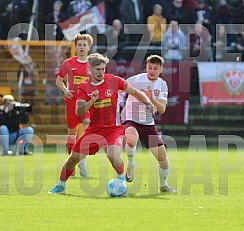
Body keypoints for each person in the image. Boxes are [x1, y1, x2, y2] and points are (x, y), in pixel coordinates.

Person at [48, 53, 154, 194]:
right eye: (98, 69)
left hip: (113, 129)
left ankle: (121, 181)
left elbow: (134, 91)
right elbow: (79, 111)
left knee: (113, 155)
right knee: (73, 159)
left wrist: (148, 103)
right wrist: (91, 101)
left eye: (104, 69)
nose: (101, 72)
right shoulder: (83, 87)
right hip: (93, 130)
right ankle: (60, 186)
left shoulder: (113, 80)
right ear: (89, 70)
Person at [121, 55, 176, 193]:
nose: (151, 71)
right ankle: (131, 163)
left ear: (161, 69)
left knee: (163, 159)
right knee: (132, 138)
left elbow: (162, 109)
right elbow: (119, 89)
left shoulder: (162, 85)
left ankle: (163, 185)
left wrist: (151, 98)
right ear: (146, 67)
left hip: (148, 123)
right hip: (130, 118)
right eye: (149, 67)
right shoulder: (136, 80)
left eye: (155, 68)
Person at [55, 33, 93, 177]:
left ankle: (81, 159)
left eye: (84, 45)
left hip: (86, 103)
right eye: (79, 45)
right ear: (75, 47)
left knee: (88, 129)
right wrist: (65, 90)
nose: (82, 47)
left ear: (89, 47)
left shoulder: (92, 64)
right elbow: (59, 80)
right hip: (72, 102)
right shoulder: (69, 63)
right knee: (72, 133)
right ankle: (72, 163)